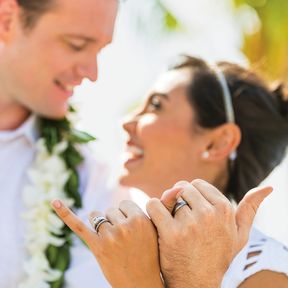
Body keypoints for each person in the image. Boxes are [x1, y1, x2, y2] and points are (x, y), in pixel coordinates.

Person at [52, 56, 287, 287]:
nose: (127, 122)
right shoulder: (98, 210)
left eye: (155, 105)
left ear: (217, 143)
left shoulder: (264, 271)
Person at [0, 0, 118, 287]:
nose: (92, 72)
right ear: (7, 20)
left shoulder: (87, 178)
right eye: (77, 45)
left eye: (100, 50)